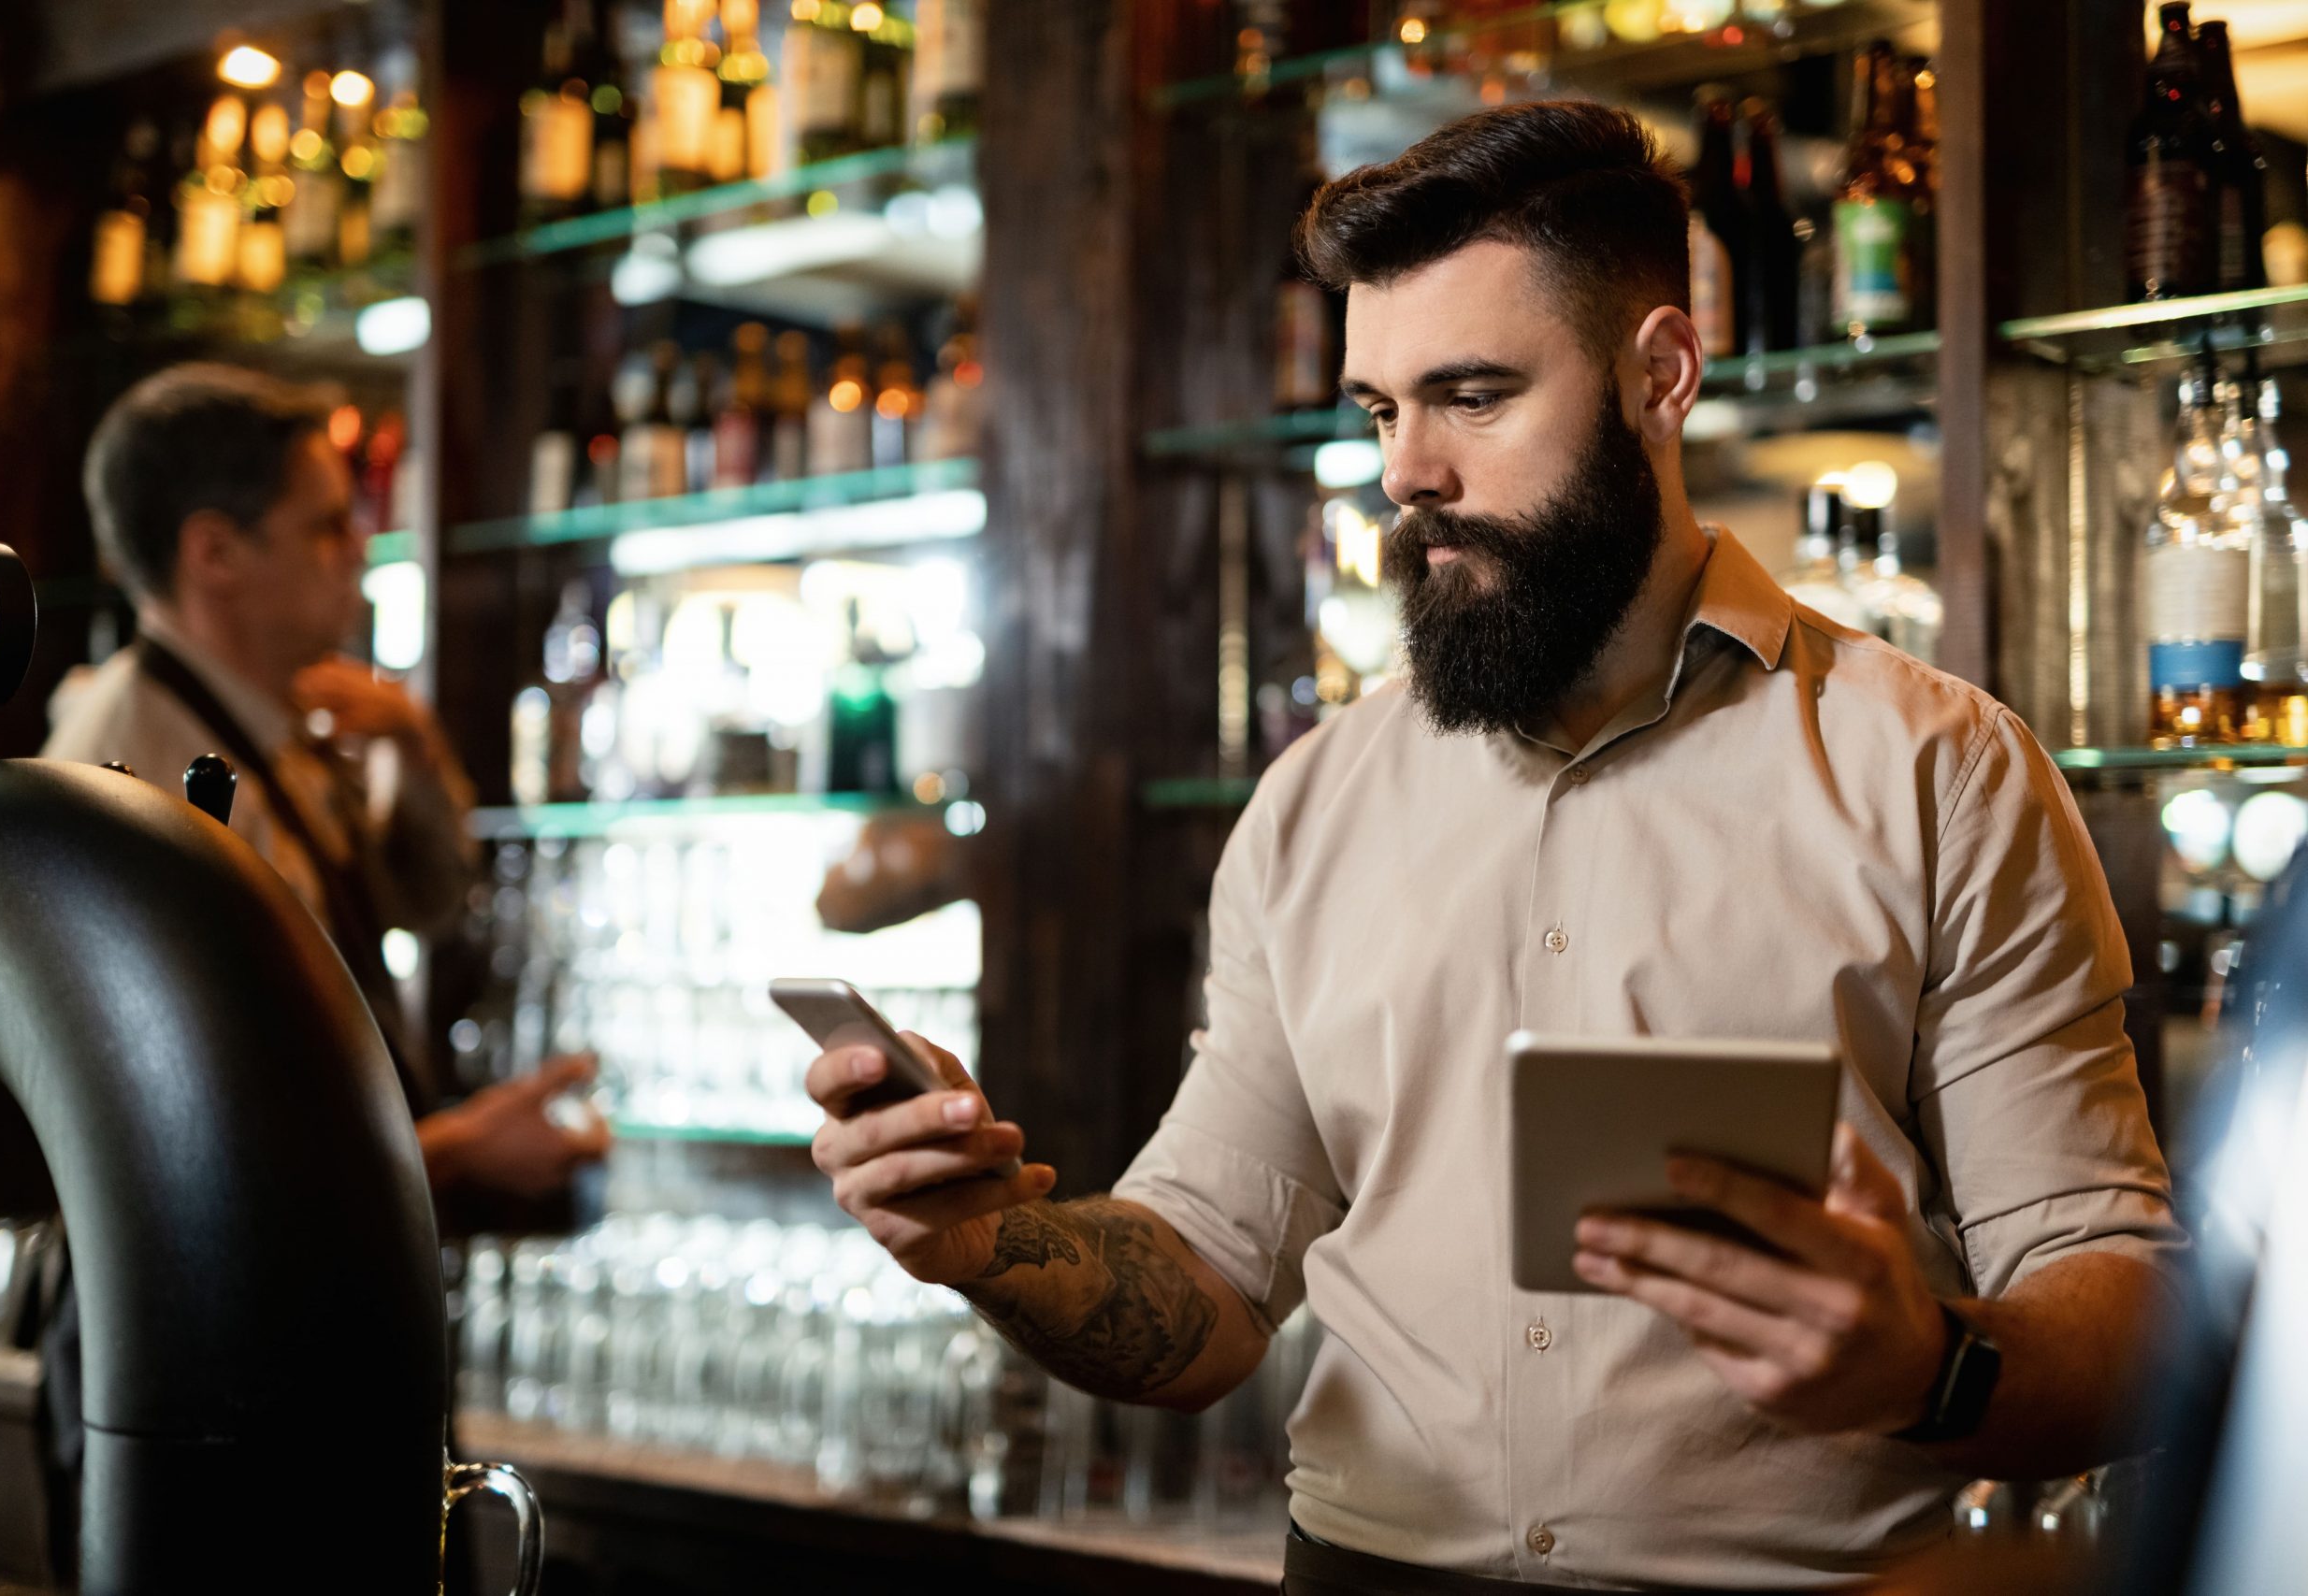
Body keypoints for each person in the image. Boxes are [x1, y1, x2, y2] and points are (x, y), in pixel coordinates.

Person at [807, 103, 2184, 1592]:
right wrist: (988, 1239)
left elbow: (2120, 1301)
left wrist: (1931, 1366)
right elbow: (1200, 1289)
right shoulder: (1316, 799)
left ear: (1660, 374)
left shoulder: (1937, 769)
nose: (1407, 469)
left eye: (1470, 395)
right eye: (1380, 408)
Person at [44, 362, 609, 1209]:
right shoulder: (129, 773)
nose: (359, 550)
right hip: (196, 1313)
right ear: (216, 553)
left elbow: (425, 905)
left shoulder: (285, 718)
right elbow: (181, 1138)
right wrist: (457, 1151)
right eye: (328, 526)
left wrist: (415, 751)